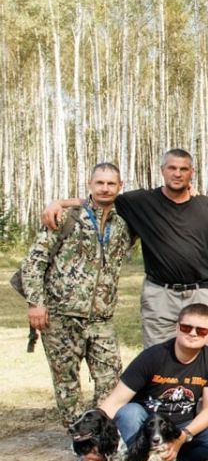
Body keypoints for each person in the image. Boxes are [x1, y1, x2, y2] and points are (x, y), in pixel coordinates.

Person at [42, 148, 208, 346]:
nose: (177, 173)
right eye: (172, 168)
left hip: (201, 294)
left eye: (184, 169)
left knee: (199, 354)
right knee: (157, 354)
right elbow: (101, 200)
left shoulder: (206, 206)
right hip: (160, 295)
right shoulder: (141, 202)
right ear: (162, 170)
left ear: (192, 173)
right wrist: (60, 203)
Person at [21, 163, 133, 427]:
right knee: (67, 384)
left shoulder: (124, 223)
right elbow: (34, 262)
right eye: (99, 183)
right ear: (89, 184)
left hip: (101, 319)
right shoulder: (66, 217)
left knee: (111, 379)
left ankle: (101, 432)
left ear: (120, 186)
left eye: (111, 183)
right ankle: (78, 436)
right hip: (61, 317)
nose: (105, 188)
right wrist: (36, 303)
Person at [95, 303, 208, 461]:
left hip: (181, 425)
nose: (192, 333)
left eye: (201, 331)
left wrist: (183, 436)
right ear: (177, 327)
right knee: (128, 413)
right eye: (186, 327)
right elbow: (114, 402)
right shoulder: (152, 356)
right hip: (146, 423)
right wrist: (93, 444)